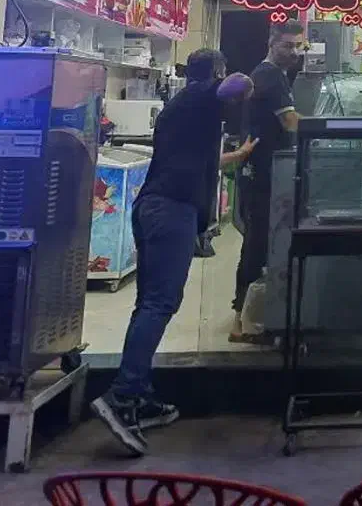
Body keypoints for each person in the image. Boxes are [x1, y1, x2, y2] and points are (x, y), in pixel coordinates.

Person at [92, 49, 255, 456]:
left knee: (149, 303)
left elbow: (198, 158)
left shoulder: (181, 108)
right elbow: (235, 86)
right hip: (171, 211)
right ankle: (122, 396)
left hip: (154, 207)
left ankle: (140, 393)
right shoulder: (201, 95)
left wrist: (235, 157)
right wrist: (248, 83)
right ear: (213, 73)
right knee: (161, 302)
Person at [231, 23, 306, 341]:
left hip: (263, 171)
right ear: (272, 43)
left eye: (299, 46)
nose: (294, 52)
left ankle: (252, 315)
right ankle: (242, 320)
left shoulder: (272, 75)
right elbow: (290, 122)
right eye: (288, 46)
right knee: (258, 242)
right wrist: (326, 131)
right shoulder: (270, 75)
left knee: (261, 241)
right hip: (261, 173)